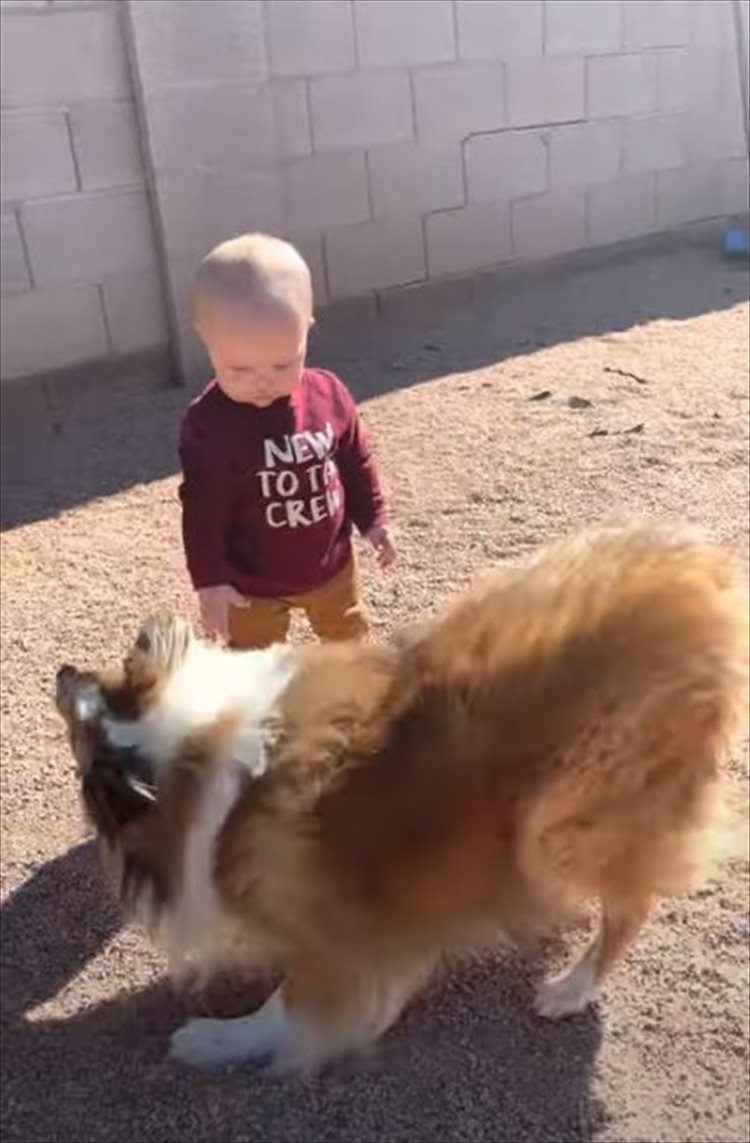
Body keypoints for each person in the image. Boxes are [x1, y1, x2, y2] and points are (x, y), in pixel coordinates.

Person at [178, 233, 396, 649]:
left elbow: (355, 460)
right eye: (238, 368)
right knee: (252, 662)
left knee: (349, 641)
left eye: (283, 362)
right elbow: (201, 512)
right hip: (252, 583)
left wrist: (374, 519)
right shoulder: (208, 425)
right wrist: (211, 581)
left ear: (307, 329)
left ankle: (356, 697)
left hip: (331, 565)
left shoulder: (329, 394)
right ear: (204, 338)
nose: (263, 380)